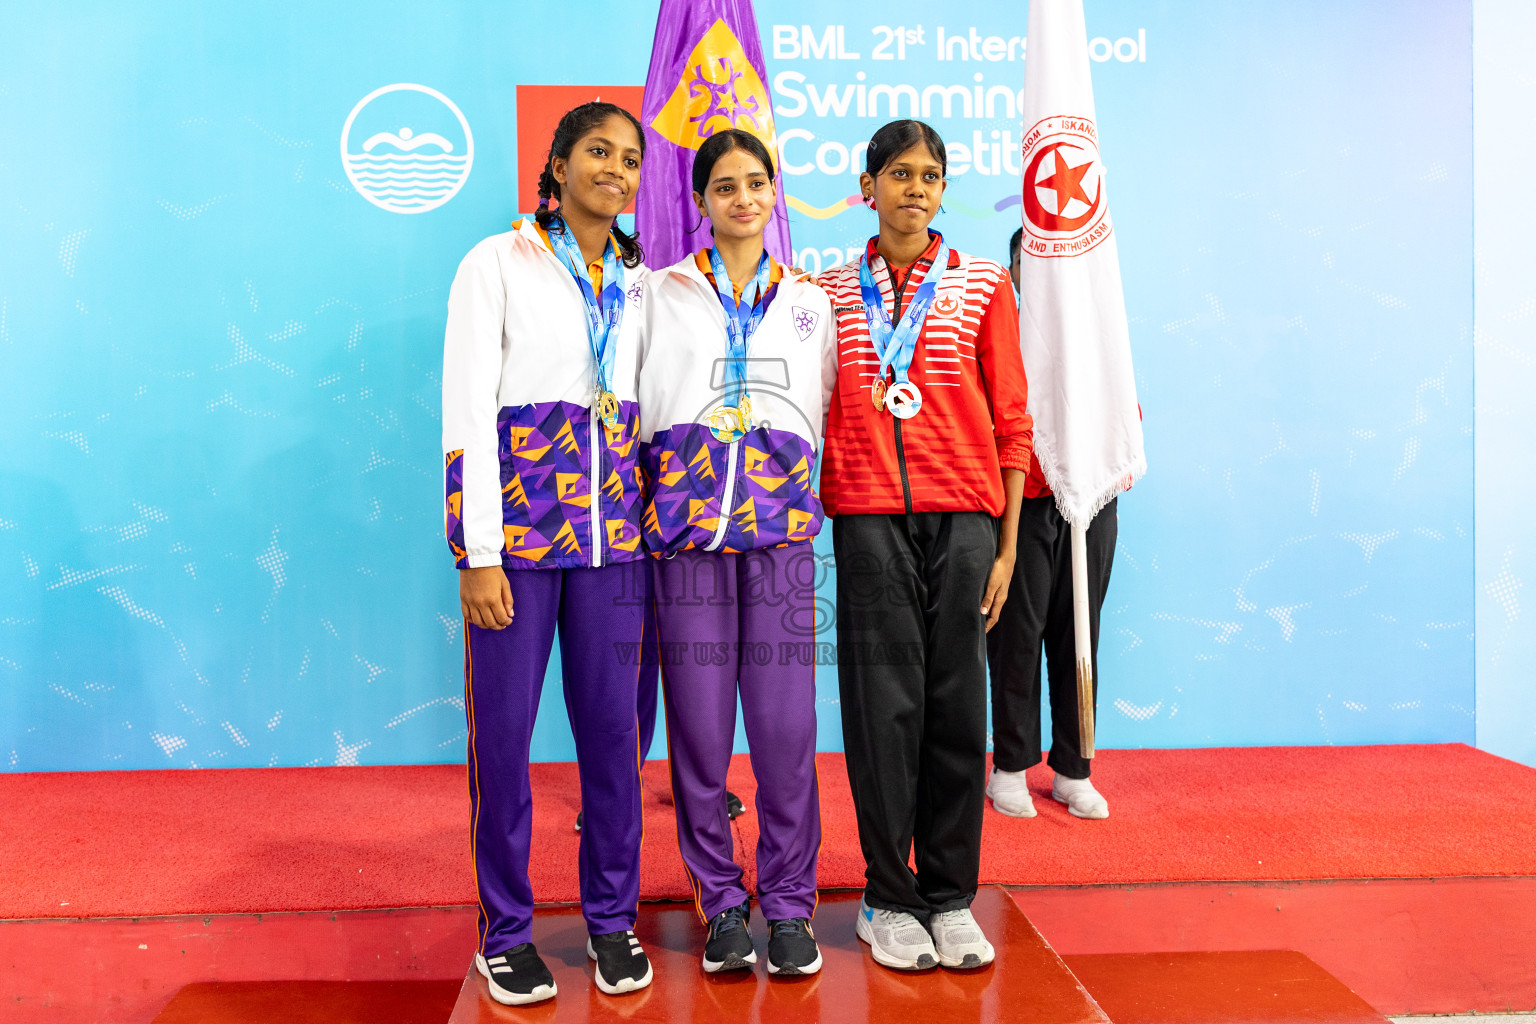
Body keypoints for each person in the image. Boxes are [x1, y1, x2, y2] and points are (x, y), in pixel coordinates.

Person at [442, 101, 654, 1005]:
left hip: (617, 550)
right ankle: (508, 929)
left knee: (615, 744)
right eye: (597, 152)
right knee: (506, 743)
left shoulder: (647, 285)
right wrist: (476, 551)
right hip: (520, 549)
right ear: (558, 166)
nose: (616, 168)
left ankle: (612, 920)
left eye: (631, 158)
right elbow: (465, 409)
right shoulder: (496, 262)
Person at [817, 120, 1032, 972]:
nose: (915, 188)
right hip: (867, 515)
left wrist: (1008, 548)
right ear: (867, 188)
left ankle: (948, 894)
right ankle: (886, 897)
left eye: (931, 176)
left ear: (945, 191)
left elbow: (1013, 424)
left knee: (954, 705)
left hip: (969, 523)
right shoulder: (828, 292)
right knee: (883, 710)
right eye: (898, 174)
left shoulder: (981, 286)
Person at [637, 128, 836, 977]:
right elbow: (640, 405)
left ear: (773, 194)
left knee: (788, 733)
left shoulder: (809, 301)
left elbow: (821, 408)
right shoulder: (661, 292)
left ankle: (790, 906)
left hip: (781, 546)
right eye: (725, 186)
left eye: (756, 183)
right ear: (702, 201)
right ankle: (720, 901)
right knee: (701, 735)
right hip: (688, 548)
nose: (743, 199)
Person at [984, 223, 1117, 822]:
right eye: (1033, 264)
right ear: (1017, 270)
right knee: (1017, 632)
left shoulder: (1103, 330)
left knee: (1079, 629)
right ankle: (1009, 766)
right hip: (1024, 493)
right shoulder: (1001, 326)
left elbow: (1122, 411)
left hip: (1090, 498)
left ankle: (1073, 769)